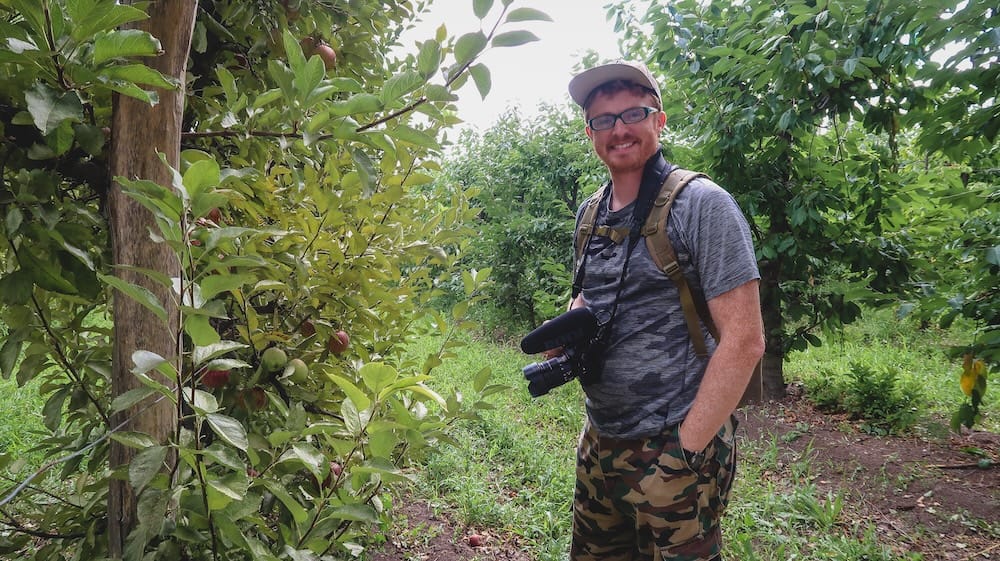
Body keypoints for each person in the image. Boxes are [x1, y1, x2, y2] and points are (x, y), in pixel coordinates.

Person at [559, 60, 765, 561]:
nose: (619, 129)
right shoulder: (591, 213)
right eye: (603, 120)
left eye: (633, 112)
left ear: (659, 120)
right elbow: (589, 296)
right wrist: (565, 332)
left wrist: (685, 450)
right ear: (591, 133)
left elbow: (745, 339)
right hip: (601, 443)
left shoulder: (702, 205)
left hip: (674, 447)